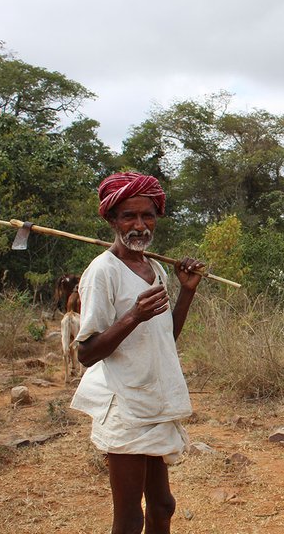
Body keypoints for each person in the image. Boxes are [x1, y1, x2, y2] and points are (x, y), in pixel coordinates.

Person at [71, 172, 205, 534]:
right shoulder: (102, 272)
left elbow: (164, 338)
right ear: (112, 220)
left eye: (148, 216)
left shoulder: (155, 269)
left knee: (163, 506)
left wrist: (186, 292)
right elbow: (86, 353)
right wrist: (133, 315)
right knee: (129, 518)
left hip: (154, 399)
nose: (140, 225)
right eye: (129, 216)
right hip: (126, 404)